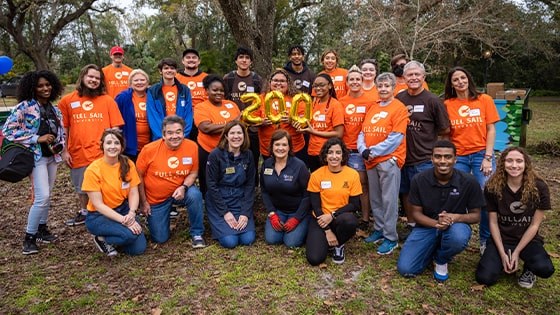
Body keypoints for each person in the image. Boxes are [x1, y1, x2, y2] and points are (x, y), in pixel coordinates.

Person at [397, 140, 484, 282]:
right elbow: (416, 214)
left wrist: (455, 218)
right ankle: (430, 249)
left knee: (458, 237)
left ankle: (441, 259)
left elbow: (476, 216)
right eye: (438, 156)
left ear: (455, 159)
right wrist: (436, 223)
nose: (443, 161)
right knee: (406, 269)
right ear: (431, 159)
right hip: (426, 226)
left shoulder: (469, 181)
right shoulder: (419, 179)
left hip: (455, 226)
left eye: (448, 157)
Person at [2, 70, 65, 255]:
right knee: (42, 196)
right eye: (40, 86)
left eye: (48, 84)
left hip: (51, 157)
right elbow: (8, 130)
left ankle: (42, 229)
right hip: (35, 157)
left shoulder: (55, 109)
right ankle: (29, 237)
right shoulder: (24, 107)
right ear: (32, 88)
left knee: (48, 194)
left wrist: (60, 146)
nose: (45, 88)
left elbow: (60, 132)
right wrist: (36, 138)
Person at [475, 147, 554, 288]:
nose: (514, 165)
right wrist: (502, 253)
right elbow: (492, 223)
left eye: (519, 161)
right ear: (502, 164)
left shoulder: (539, 187)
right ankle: (501, 261)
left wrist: (517, 252)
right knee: (484, 278)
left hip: (527, 240)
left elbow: (534, 225)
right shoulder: (492, 187)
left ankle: (529, 268)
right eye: (509, 161)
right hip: (502, 239)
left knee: (545, 269)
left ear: (526, 164)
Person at [59, 64, 125, 226]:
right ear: (82, 77)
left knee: (107, 184)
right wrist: (64, 150)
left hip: (103, 153)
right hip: (78, 151)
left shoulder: (107, 100)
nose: (94, 80)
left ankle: (108, 211)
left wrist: (112, 148)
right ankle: (85, 212)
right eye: (91, 77)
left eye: (97, 78)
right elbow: (64, 128)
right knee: (82, 186)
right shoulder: (67, 101)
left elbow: (116, 127)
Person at [443, 66, 500, 253]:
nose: (460, 82)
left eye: (463, 78)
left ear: (468, 79)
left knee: (486, 195)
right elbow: (446, 135)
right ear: (451, 84)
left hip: (481, 155)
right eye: (455, 80)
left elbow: (491, 129)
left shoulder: (484, 100)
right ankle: (455, 235)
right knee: (455, 195)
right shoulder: (447, 105)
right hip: (459, 156)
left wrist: (488, 157)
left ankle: (485, 239)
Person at [396, 61, 450, 240]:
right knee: (406, 192)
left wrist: (438, 154)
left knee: (426, 195)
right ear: (403, 78)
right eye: (409, 75)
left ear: (423, 77)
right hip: (403, 157)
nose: (413, 78)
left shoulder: (433, 100)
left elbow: (444, 130)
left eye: (416, 75)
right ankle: (412, 225)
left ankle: (430, 229)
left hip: (424, 158)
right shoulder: (399, 99)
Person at [358, 72, 409, 254]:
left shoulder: (399, 108)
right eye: (380, 86)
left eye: (387, 86)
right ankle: (379, 229)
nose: (383, 89)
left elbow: (396, 137)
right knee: (376, 198)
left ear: (394, 87)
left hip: (388, 160)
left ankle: (390, 237)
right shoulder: (374, 107)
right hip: (370, 160)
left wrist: (373, 152)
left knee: (389, 199)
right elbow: (363, 132)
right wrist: (363, 148)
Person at [136, 115, 206, 247]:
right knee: (160, 238)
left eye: (178, 132)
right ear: (163, 135)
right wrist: (143, 202)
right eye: (170, 133)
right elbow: (137, 177)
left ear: (183, 132)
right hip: (156, 198)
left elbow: (193, 173)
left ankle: (197, 233)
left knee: (195, 194)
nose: (175, 136)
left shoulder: (192, 147)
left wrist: (184, 187)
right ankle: (155, 219)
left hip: (179, 192)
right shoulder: (149, 150)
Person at [82, 130, 147, 256]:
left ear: (121, 146)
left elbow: (133, 192)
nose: (112, 146)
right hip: (99, 216)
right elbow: (99, 205)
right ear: (102, 146)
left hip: (123, 209)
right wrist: (125, 221)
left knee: (138, 249)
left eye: (116, 143)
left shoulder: (127, 164)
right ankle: (101, 238)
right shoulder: (93, 170)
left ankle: (119, 236)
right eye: (109, 143)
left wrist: (131, 213)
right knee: (129, 235)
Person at [306, 137, 361, 265]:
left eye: (338, 152)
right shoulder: (316, 175)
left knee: (350, 221)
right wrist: (327, 230)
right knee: (315, 259)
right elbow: (315, 205)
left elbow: (354, 205)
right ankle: (328, 239)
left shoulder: (352, 174)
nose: (334, 156)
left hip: (340, 218)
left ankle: (339, 245)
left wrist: (333, 215)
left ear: (343, 155)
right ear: (325, 156)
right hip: (320, 219)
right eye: (330, 152)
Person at [205, 121, 256, 248]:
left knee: (247, 239)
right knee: (230, 241)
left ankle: (240, 220)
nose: (236, 136)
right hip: (219, 200)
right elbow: (211, 185)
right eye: (232, 133)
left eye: (239, 133)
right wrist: (225, 213)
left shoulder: (248, 154)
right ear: (226, 136)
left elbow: (250, 184)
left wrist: (245, 212)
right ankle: (220, 226)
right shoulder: (215, 155)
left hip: (239, 199)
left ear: (244, 136)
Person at [338, 66, 374, 234]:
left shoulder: (370, 101)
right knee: (344, 185)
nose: (354, 82)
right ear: (346, 82)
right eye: (351, 79)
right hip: (344, 149)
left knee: (362, 185)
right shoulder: (341, 101)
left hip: (361, 150)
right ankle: (345, 215)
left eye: (357, 79)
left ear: (362, 81)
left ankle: (365, 219)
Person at [261, 130, 310, 247]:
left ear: (289, 147)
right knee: (272, 239)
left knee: (291, 242)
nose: (280, 148)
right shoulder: (266, 164)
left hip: (297, 212)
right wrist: (272, 213)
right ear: (272, 146)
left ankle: (306, 224)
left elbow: (308, 195)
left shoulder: (299, 166)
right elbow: (264, 190)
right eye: (277, 144)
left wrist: (297, 218)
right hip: (278, 211)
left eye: (284, 145)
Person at [193, 74, 241, 195]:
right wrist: (232, 124)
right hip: (208, 151)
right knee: (209, 182)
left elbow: (240, 124)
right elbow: (206, 128)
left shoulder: (232, 105)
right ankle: (209, 206)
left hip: (230, 151)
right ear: (207, 90)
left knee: (228, 178)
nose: (219, 93)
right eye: (215, 90)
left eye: (221, 90)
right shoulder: (201, 107)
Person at [223, 46, 262, 183]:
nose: (244, 60)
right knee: (233, 157)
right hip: (234, 127)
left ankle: (252, 187)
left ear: (251, 62)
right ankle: (232, 184)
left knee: (253, 157)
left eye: (247, 58)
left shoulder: (257, 79)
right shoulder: (229, 78)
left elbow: (261, 102)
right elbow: (223, 101)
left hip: (253, 127)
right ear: (236, 60)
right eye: (241, 57)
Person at [296, 74, 344, 172]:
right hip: (312, 151)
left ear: (329, 86)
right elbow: (311, 127)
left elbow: (339, 134)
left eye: (322, 85)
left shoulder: (336, 105)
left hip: (328, 153)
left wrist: (313, 132)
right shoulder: (313, 103)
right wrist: (303, 129)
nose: (318, 88)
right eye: (315, 86)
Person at [255, 69, 306, 162]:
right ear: (270, 82)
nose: (278, 83)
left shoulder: (297, 98)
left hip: (294, 147)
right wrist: (261, 122)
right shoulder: (260, 99)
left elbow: (305, 121)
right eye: (275, 80)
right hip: (268, 146)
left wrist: (292, 120)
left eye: (282, 81)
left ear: (288, 83)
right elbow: (252, 121)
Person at [147, 58, 193, 141]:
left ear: (176, 71)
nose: (169, 70)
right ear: (160, 71)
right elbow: (152, 116)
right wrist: (163, 136)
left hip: (181, 138)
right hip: (160, 138)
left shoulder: (184, 90)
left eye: (172, 68)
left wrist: (182, 134)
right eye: (166, 68)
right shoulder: (153, 91)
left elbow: (188, 115)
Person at [115, 69, 151, 161]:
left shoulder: (153, 96)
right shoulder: (123, 98)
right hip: (129, 147)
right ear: (130, 83)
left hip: (150, 144)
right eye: (136, 80)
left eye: (142, 80)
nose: (139, 82)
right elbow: (115, 119)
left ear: (147, 82)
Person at [176, 48, 208, 141]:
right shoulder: (176, 78)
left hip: (203, 117)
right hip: (182, 117)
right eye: (188, 57)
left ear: (199, 61)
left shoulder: (207, 78)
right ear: (183, 61)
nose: (191, 59)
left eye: (194, 57)